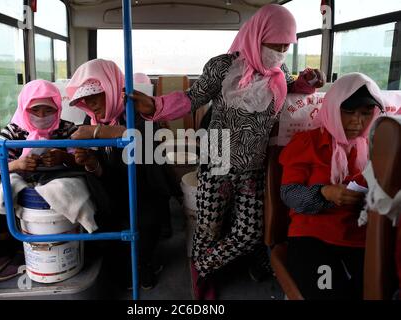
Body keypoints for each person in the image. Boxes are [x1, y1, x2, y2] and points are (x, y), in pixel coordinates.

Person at [128, 4, 325, 299]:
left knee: (250, 233)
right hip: (217, 156)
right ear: (257, 36)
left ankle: (201, 266)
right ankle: (203, 278)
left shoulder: (279, 71)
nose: (281, 50)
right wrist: (156, 107)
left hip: (253, 163)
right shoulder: (222, 66)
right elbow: (192, 99)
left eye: (287, 45)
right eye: (276, 44)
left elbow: (289, 90)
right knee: (209, 227)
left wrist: (307, 84)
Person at [67, 59, 172, 290]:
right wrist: (91, 162)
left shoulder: (138, 108)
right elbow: (102, 170)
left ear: (112, 88)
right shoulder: (91, 120)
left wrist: (97, 132)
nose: (92, 103)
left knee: (145, 224)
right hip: (113, 188)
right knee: (103, 224)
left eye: (98, 94)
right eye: (87, 98)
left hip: (146, 188)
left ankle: (145, 263)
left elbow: (143, 142)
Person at [279, 73, 384, 299]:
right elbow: (288, 194)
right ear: (333, 108)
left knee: (377, 289)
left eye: (366, 114)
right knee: (328, 292)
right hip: (312, 235)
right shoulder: (308, 143)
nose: (358, 121)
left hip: (358, 235)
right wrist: (324, 192)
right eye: (349, 112)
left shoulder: (371, 148)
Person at [0, 79, 79, 281]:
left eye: (48, 110)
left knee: (77, 187)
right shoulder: (12, 132)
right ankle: (10, 250)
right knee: (1, 189)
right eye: (35, 110)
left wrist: (63, 157)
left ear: (57, 108)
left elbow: (81, 161)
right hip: (22, 183)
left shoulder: (67, 129)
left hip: (59, 178)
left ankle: (75, 242)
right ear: (24, 107)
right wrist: (18, 164)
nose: (41, 116)